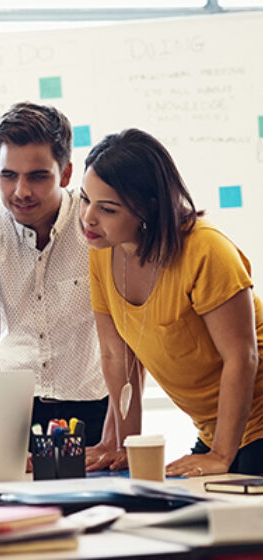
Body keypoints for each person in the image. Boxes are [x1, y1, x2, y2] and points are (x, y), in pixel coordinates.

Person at [80, 128, 263, 476]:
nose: (89, 217)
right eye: (85, 198)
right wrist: (120, 443)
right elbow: (116, 355)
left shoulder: (207, 251)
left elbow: (242, 356)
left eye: (107, 208)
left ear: (148, 208)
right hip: (215, 428)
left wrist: (221, 455)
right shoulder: (103, 250)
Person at [0, 102, 111, 446]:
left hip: (93, 407)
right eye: (8, 176)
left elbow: (126, 342)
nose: (21, 191)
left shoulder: (97, 223)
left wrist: (119, 434)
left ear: (65, 174)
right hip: (16, 407)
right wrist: (1, 431)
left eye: (37, 176)